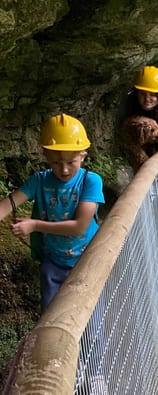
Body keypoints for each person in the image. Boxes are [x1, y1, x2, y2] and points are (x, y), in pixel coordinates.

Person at [0, 113, 105, 312]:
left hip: (87, 263)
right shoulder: (39, 181)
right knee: (51, 315)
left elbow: (79, 226)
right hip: (53, 263)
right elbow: (8, 204)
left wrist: (35, 225)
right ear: (46, 154)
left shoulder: (91, 182)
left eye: (71, 162)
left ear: (83, 155)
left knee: (89, 315)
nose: (64, 170)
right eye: (56, 162)